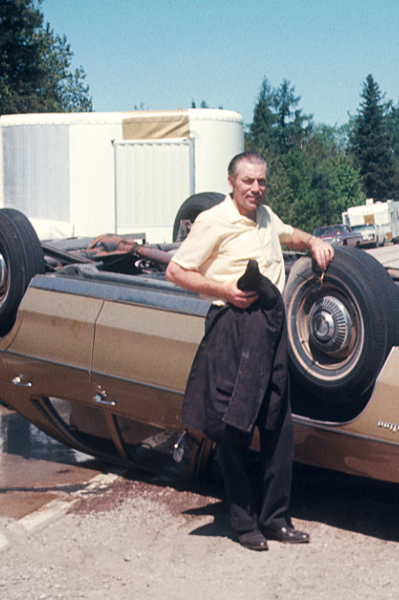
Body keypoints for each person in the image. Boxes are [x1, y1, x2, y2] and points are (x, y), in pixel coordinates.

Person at [166, 150, 334, 551]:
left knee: (277, 426)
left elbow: (287, 234)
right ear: (231, 182)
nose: (256, 189)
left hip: (272, 326)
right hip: (233, 327)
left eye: (261, 182)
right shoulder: (212, 221)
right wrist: (223, 290)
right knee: (234, 426)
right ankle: (243, 524)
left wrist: (313, 241)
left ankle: (275, 519)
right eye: (248, 182)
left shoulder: (265, 216)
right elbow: (176, 271)